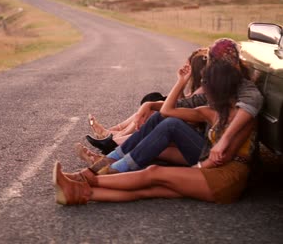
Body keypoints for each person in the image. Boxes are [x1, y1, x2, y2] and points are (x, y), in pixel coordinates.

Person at [54, 48, 257, 205]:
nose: (204, 91)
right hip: (211, 171)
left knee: (153, 174)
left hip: (225, 178)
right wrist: (180, 81)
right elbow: (167, 111)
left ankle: (86, 178)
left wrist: (193, 171)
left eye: (208, 86)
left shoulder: (243, 118)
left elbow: (224, 158)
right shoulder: (209, 111)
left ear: (222, 89)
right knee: (146, 190)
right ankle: (78, 194)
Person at [76, 38, 262, 172]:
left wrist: (223, 143)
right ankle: (112, 158)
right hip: (204, 145)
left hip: (215, 154)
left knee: (169, 125)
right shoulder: (216, 86)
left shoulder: (247, 90)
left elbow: (249, 107)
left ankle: (114, 167)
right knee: (160, 117)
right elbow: (167, 110)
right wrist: (180, 82)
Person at [87, 48, 208, 153]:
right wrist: (181, 83)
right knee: (154, 103)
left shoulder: (203, 92)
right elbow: (183, 103)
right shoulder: (200, 89)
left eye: (188, 66)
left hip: (194, 141)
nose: (185, 68)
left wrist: (180, 82)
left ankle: (114, 139)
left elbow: (177, 107)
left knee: (157, 111)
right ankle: (114, 137)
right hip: (189, 130)